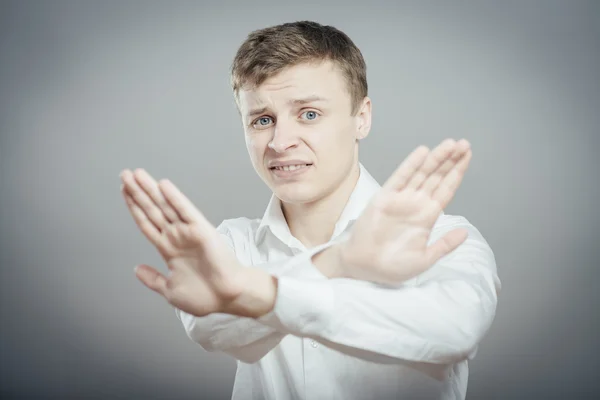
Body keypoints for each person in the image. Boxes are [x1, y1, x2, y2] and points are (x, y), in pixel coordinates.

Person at [119, 20, 500, 400]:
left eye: (309, 114)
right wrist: (335, 263)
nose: (280, 143)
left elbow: (454, 331)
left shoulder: (444, 237)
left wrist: (264, 293)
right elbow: (212, 330)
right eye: (262, 120)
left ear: (361, 118)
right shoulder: (231, 243)